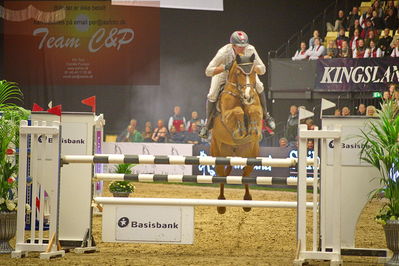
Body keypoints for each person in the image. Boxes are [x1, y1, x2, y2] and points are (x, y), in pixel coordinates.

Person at [200, 31, 269, 138]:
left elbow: (263, 69)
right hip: (224, 73)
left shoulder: (250, 49)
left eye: (244, 46)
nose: (243, 49)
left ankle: (266, 116)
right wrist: (224, 67)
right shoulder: (223, 52)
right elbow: (208, 71)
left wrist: (252, 68)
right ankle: (207, 125)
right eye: (239, 47)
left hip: (245, 73)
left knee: (259, 86)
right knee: (212, 94)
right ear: (233, 46)